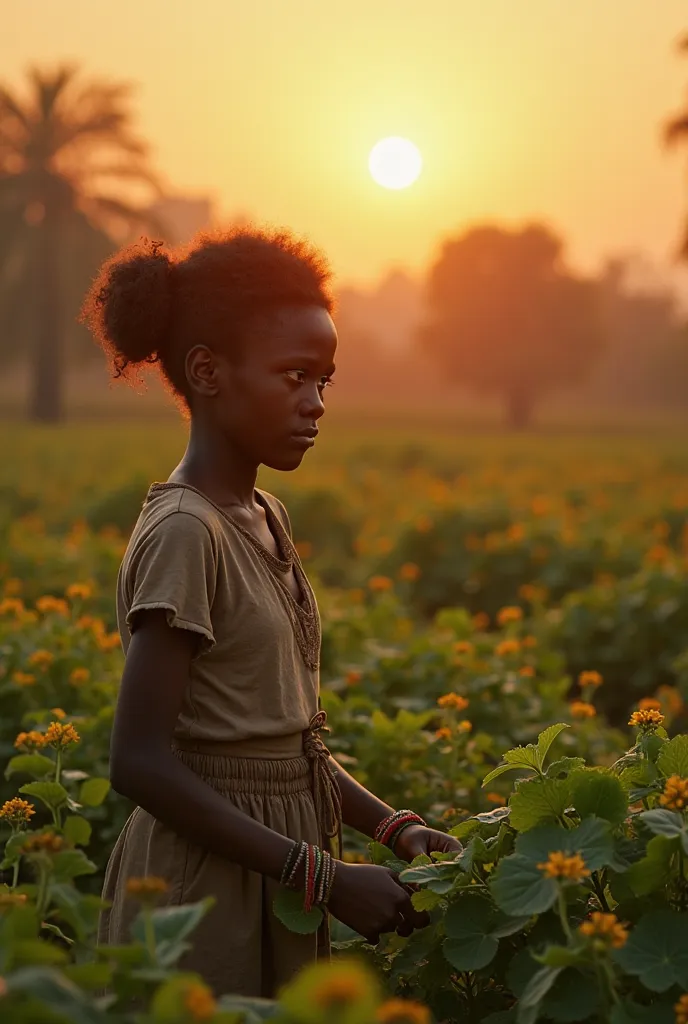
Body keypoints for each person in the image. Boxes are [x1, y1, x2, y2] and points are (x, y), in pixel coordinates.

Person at [79, 227, 462, 1000]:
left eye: (324, 380)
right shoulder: (188, 531)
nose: (315, 404)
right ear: (208, 371)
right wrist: (323, 876)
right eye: (294, 377)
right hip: (199, 892)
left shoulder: (264, 514)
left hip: (279, 873)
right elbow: (139, 760)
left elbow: (285, 747)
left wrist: (393, 827)